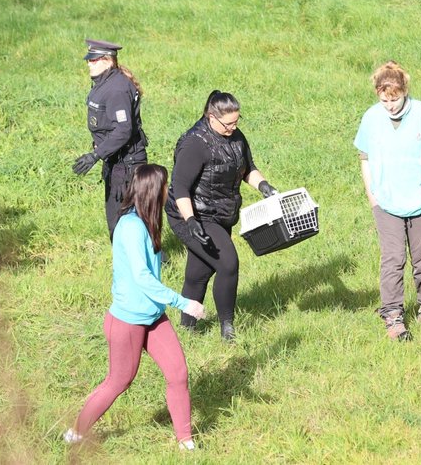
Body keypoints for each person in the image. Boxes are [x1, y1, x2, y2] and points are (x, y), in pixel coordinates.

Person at [65, 164, 206, 451]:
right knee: (119, 381)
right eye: (166, 186)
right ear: (155, 191)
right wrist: (185, 303)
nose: (169, 191)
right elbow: (143, 278)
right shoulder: (131, 227)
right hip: (128, 322)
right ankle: (77, 432)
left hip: (153, 317)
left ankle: (185, 440)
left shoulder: (147, 220)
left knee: (178, 373)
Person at [165, 90, 279, 342]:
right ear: (211, 117)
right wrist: (191, 221)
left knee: (199, 271)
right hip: (192, 214)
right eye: (228, 123)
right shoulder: (195, 143)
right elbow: (180, 187)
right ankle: (227, 327)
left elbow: (247, 169)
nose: (233, 127)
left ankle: (187, 328)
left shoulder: (236, 137)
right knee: (227, 263)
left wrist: (264, 187)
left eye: (236, 122)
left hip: (221, 212)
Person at [354, 61, 421, 341]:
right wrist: (372, 196)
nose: (390, 106)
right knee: (393, 259)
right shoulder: (371, 117)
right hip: (386, 202)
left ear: (404, 91)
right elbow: (365, 158)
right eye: (384, 100)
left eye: (394, 100)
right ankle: (393, 315)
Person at [71, 39, 148, 237]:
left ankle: (149, 264)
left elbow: (123, 130)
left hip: (127, 165)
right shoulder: (105, 82)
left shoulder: (116, 89)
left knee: (123, 225)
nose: (89, 63)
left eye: (94, 60)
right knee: (126, 223)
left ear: (108, 60)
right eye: (89, 60)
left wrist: (95, 155)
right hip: (117, 162)